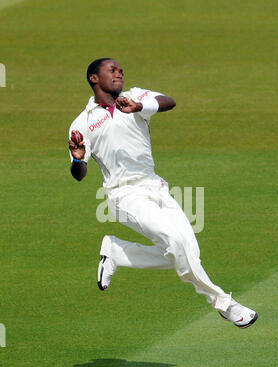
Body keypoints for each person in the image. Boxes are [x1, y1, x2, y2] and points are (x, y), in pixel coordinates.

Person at [68, 58, 258, 328]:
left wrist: (140, 106)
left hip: (155, 187)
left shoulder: (133, 98)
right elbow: (80, 174)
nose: (119, 73)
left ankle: (118, 252)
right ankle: (224, 304)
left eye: (121, 70)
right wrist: (77, 159)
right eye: (112, 70)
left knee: (188, 252)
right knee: (177, 245)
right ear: (94, 78)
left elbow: (169, 101)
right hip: (124, 195)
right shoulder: (82, 122)